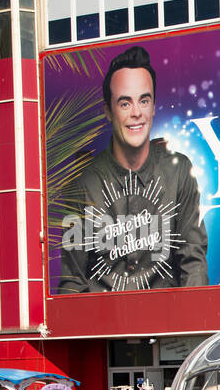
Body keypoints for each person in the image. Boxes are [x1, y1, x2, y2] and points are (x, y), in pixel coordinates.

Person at [58, 45, 208, 293]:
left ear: (153, 106)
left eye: (144, 101)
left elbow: (193, 262)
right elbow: (72, 280)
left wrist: (193, 326)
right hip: (105, 328)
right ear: (108, 110)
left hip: (166, 326)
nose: (137, 112)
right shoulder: (82, 183)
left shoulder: (179, 171)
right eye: (125, 103)